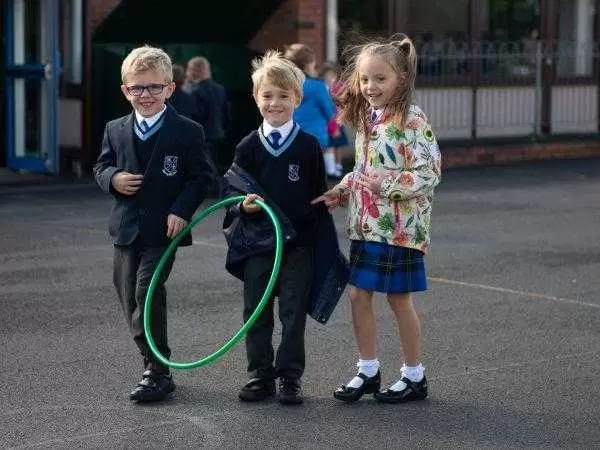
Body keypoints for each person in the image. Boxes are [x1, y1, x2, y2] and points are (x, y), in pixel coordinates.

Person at [312, 34, 442, 403]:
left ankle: (414, 376)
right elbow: (365, 170)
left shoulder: (412, 118)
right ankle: (367, 370)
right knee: (357, 296)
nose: (371, 86)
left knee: (399, 300)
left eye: (380, 79)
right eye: (365, 79)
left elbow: (429, 172)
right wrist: (342, 189)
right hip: (367, 225)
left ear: (401, 78)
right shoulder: (369, 120)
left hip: (400, 229)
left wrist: (387, 185)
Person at [93, 45, 214, 403]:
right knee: (128, 296)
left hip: (165, 230)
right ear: (125, 91)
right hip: (126, 227)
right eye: (137, 88)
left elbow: (201, 177)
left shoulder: (187, 131)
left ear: (169, 88)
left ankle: (157, 370)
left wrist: (182, 210)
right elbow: (100, 167)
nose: (145, 95)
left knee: (146, 293)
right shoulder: (115, 129)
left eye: (153, 87)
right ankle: (151, 360)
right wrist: (113, 178)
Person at [221, 50, 342, 405]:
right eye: (267, 95)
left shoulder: (307, 146)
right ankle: (260, 375)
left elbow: (318, 195)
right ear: (256, 98)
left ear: (297, 99)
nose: (275, 103)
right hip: (258, 244)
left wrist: (329, 210)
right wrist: (242, 205)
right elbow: (231, 191)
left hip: (298, 245)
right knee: (256, 311)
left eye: (283, 96)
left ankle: (289, 376)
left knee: (293, 312)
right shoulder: (246, 147)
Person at [283, 44, 337, 178]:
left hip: (291, 133)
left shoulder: (286, 85)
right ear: (308, 64)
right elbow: (329, 109)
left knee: (295, 169)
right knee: (313, 172)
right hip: (315, 136)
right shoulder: (317, 86)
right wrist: (334, 124)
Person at [185, 56, 230, 175]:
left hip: (200, 137)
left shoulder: (194, 92)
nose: (187, 73)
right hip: (218, 135)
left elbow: (193, 116)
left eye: (189, 69)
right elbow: (226, 114)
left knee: (204, 170)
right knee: (214, 167)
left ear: (196, 70)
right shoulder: (220, 89)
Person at [320, 61, 350, 178]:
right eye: (327, 75)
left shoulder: (340, 86)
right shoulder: (321, 86)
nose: (330, 77)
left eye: (332, 75)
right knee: (329, 144)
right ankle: (330, 168)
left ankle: (338, 165)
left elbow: (345, 101)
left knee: (339, 143)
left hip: (338, 120)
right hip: (327, 122)